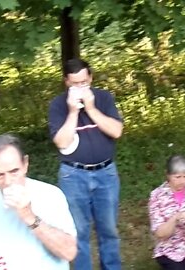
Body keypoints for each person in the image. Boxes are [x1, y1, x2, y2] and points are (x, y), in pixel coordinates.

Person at [48, 58, 124, 270]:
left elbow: (116, 131)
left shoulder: (104, 98)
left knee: (109, 230)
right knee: (78, 232)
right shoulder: (58, 105)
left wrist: (90, 108)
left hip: (106, 173)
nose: (80, 88)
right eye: (74, 84)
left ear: (90, 77)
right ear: (66, 82)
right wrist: (73, 112)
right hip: (73, 176)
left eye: (83, 82)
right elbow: (61, 142)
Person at [0, 134, 77, 270]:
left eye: (14, 171)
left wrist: (29, 217)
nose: (8, 181)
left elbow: (69, 252)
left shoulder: (51, 195)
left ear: (25, 164)